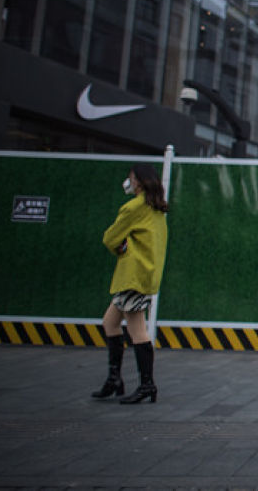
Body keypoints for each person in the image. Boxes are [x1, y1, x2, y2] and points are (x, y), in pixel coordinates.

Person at [91, 163, 169, 404]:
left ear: (140, 182)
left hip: (133, 276)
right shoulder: (156, 209)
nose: (129, 182)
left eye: (132, 178)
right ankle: (114, 379)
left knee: (137, 330)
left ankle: (147, 385)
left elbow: (110, 238)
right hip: (143, 274)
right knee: (110, 322)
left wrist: (123, 249)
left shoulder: (134, 207)